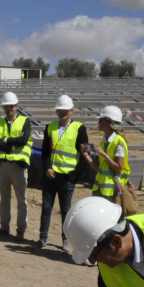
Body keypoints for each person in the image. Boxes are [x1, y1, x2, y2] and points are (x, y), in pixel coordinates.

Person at [37, 94, 88, 252]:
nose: (62, 113)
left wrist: (75, 174)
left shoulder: (79, 128)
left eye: (65, 110)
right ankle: (42, 238)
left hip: (67, 178)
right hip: (51, 176)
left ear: (71, 111)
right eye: (60, 110)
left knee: (66, 210)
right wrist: (47, 167)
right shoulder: (50, 127)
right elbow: (45, 152)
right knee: (46, 207)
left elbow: (85, 155)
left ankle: (66, 240)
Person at [0, 92, 32, 239]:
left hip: (18, 166)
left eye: (12, 106)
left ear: (16, 106)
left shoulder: (25, 121)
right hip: (2, 165)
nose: (9, 108)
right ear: (3, 107)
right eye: (7, 106)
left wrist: (6, 140)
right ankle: (4, 227)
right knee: (4, 199)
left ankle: (21, 230)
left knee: (21, 200)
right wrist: (13, 143)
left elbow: (24, 141)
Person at [82, 106, 130, 205]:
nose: (98, 123)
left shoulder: (118, 142)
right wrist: (86, 155)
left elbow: (119, 168)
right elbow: (99, 169)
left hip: (112, 192)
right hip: (101, 189)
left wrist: (104, 155)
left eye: (100, 120)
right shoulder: (104, 142)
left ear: (107, 123)